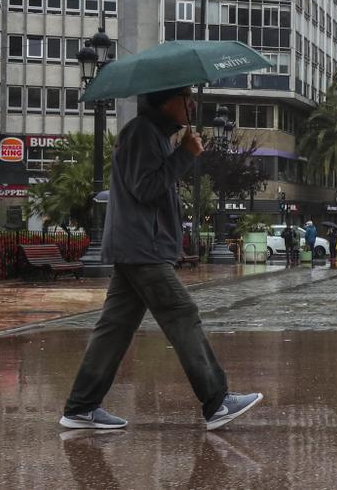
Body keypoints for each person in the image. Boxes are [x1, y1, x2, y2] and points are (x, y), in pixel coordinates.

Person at [60, 86, 262, 432]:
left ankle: (81, 406)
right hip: (143, 247)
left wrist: (179, 152)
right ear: (168, 101)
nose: (193, 104)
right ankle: (216, 401)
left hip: (138, 245)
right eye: (187, 97)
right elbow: (145, 187)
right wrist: (184, 154)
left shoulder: (153, 134)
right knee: (182, 313)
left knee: (115, 328)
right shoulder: (142, 133)